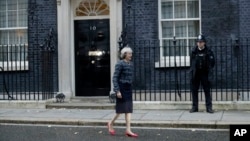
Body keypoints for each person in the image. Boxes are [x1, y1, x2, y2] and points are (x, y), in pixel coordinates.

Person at [107, 46, 138, 137]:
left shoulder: (130, 64)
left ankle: (128, 130)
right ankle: (110, 123)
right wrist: (117, 91)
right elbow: (115, 78)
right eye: (129, 53)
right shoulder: (120, 64)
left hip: (128, 88)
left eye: (131, 53)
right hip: (121, 88)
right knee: (120, 110)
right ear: (124, 54)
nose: (131, 55)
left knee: (128, 109)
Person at [189, 34, 215, 113]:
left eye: (201, 42)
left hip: (205, 73)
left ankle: (209, 107)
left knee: (207, 90)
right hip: (196, 73)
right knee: (194, 90)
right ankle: (195, 107)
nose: (199, 43)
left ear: (204, 43)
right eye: (198, 42)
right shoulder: (193, 51)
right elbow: (191, 62)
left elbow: (213, 62)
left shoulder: (208, 51)